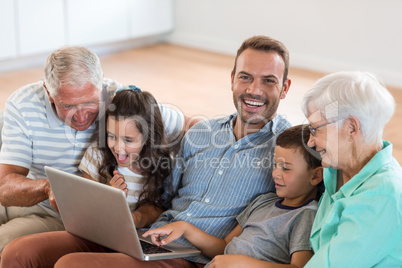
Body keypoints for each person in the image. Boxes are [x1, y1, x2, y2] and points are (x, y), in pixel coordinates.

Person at [1, 35, 292, 267]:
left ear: (285, 87)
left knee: (71, 264)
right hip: (144, 235)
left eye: (269, 80)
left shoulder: (289, 149)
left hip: (189, 254)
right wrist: (129, 217)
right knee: (19, 252)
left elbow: (310, 192)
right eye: (245, 77)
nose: (254, 89)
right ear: (232, 79)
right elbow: (163, 196)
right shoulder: (203, 132)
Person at [0, 46, 186, 253]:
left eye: (90, 102)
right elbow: (5, 188)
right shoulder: (23, 105)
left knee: (6, 241)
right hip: (30, 195)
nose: (80, 116)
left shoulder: (122, 100)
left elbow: (189, 124)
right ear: (49, 93)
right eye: (68, 106)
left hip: (60, 218)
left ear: (102, 84)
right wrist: (49, 187)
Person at [144, 124, 323, 268]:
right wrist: (185, 228)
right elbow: (223, 247)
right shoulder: (264, 202)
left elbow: (300, 267)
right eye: (275, 165)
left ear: (315, 176)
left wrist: (244, 263)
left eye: (286, 168)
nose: (276, 173)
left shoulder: (306, 215)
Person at [300, 71, 402, 267]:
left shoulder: (382, 195)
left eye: (315, 129)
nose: (311, 142)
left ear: (351, 128)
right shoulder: (335, 169)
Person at [80, 87, 172, 212]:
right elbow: (83, 206)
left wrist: (135, 219)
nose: (117, 148)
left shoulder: (161, 163)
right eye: (111, 136)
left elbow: (160, 208)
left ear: (147, 138)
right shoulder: (97, 154)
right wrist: (107, 195)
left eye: (128, 140)